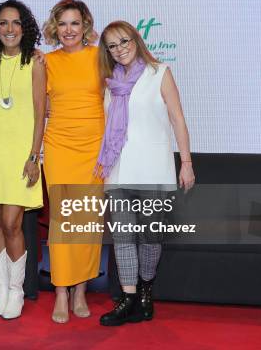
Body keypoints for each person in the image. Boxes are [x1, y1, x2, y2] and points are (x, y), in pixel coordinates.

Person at [95, 20, 195, 326]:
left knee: (150, 239)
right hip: (120, 170)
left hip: (153, 169)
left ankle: (145, 292)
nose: (120, 49)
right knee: (123, 237)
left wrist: (187, 163)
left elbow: (177, 118)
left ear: (136, 40)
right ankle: (127, 299)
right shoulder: (110, 82)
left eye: (124, 41)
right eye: (112, 46)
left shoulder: (159, 73)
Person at [0, 0, 46, 319]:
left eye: (16, 23)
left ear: (25, 27)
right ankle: (1, 288)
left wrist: (33, 157)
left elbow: (41, 114)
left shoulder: (37, 62)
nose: (10, 29)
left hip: (21, 154)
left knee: (14, 223)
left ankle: (17, 290)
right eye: (3, 23)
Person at [42, 0, 105, 323]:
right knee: (63, 223)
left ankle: (81, 289)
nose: (69, 30)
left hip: (94, 149)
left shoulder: (100, 57)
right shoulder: (46, 62)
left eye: (75, 23)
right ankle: (61, 292)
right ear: (55, 27)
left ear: (85, 27)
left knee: (88, 223)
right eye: (63, 23)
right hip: (59, 149)